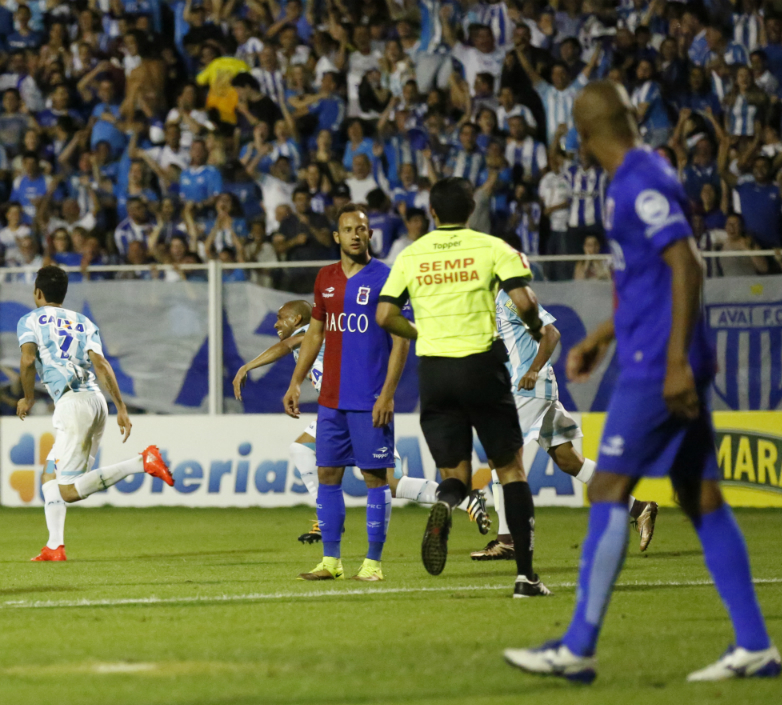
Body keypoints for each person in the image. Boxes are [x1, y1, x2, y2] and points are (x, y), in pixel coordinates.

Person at [504, 82, 781, 683]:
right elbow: (646, 278)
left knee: (606, 488)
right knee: (701, 496)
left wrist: (676, 360)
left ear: (580, 137)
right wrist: (599, 337)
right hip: (656, 352)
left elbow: (687, 263)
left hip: (658, 364)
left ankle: (577, 647)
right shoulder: (638, 174)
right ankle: (755, 645)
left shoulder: (637, 181)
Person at [376, 177, 552, 598]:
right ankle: (526, 578)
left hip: (435, 372)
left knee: (454, 474)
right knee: (510, 470)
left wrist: (419, 334)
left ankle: (446, 502)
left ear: (432, 213)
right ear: (471, 210)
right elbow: (526, 303)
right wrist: (534, 328)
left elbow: (385, 314)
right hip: (481, 367)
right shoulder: (493, 248)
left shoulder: (410, 254)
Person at [235, 299, 491, 543]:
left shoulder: (312, 330)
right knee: (390, 482)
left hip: (357, 407)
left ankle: (328, 520)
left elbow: (286, 345)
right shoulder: (315, 333)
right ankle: (467, 498)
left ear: (297, 318)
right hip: (347, 408)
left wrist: (247, 366)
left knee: (319, 456)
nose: (275, 324)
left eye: (280, 318)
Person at [469, 293, 660, 562]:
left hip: (529, 388)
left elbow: (552, 333)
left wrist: (532, 370)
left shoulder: (510, 296)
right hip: (527, 390)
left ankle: (507, 540)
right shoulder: (484, 302)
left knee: (501, 455)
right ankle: (639, 508)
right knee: (570, 461)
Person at [283, 205, 412, 583]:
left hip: (370, 397)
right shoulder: (325, 278)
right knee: (327, 474)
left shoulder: (387, 277)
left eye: (362, 228)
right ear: (336, 237)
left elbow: (401, 339)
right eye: (348, 229)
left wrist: (387, 394)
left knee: (375, 477)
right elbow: (315, 334)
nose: (356, 234)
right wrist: (295, 381)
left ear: (370, 234)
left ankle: (372, 564)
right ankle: (331, 562)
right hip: (331, 400)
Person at [15, 265, 175, 562]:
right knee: (50, 476)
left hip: (72, 406)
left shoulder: (30, 321)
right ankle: (54, 546)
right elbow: (101, 365)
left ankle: (141, 463)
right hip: (95, 402)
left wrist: (26, 397)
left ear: (37, 292)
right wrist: (121, 407)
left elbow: (27, 361)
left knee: (68, 491)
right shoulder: (83, 322)